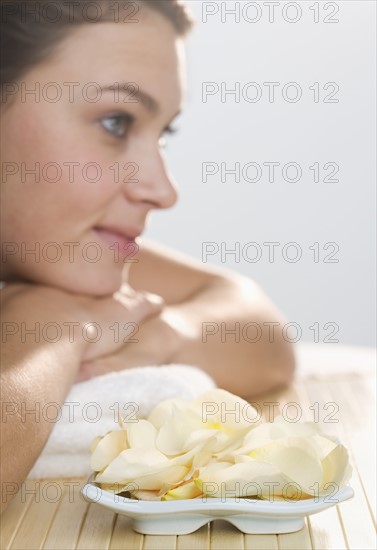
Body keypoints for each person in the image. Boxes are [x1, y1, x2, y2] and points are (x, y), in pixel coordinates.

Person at [0, 0, 295, 512]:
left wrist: (156, 333)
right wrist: (53, 328)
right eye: (117, 121)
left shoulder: (51, 252)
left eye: (163, 135)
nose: (163, 190)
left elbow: (259, 328)